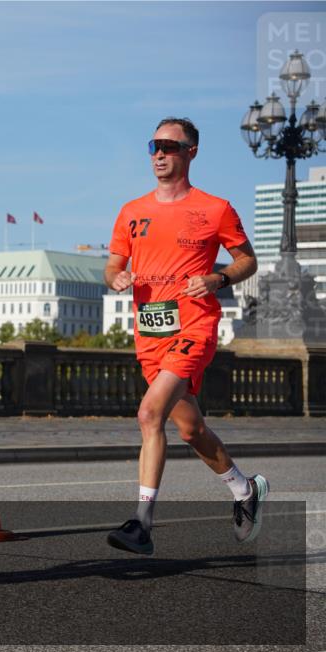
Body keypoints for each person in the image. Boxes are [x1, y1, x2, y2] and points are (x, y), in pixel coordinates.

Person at [104, 117, 264, 555]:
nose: (158, 153)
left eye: (168, 146)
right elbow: (112, 266)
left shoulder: (215, 208)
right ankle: (244, 489)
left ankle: (141, 523)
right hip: (151, 333)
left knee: (148, 414)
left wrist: (217, 278)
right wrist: (116, 278)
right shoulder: (132, 211)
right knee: (191, 430)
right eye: (153, 145)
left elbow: (248, 261)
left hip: (195, 325)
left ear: (190, 152)